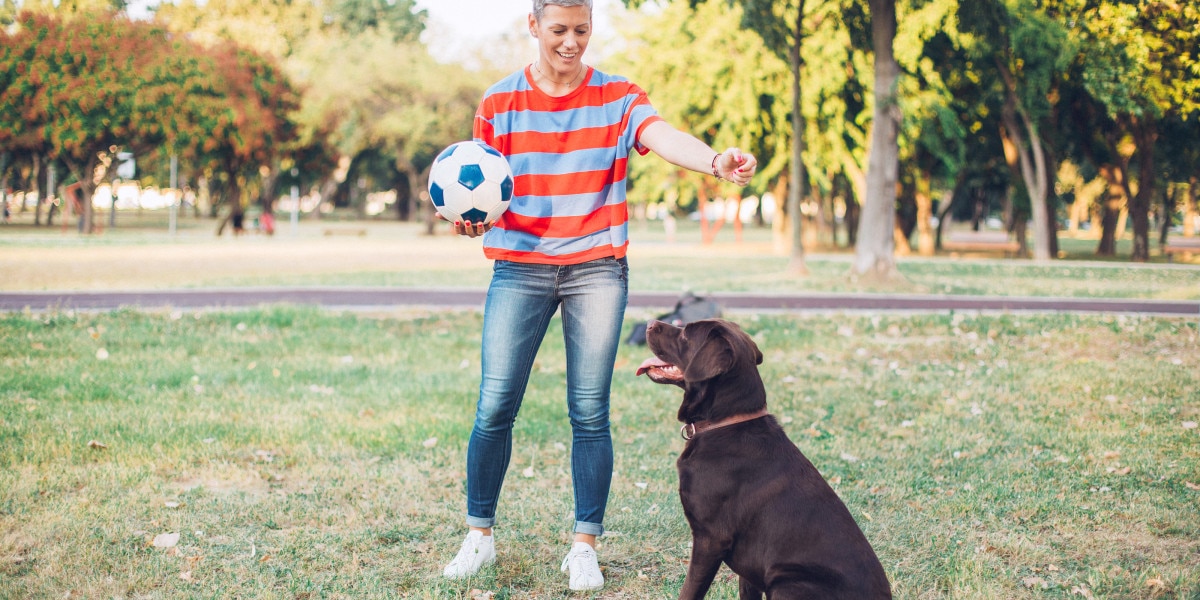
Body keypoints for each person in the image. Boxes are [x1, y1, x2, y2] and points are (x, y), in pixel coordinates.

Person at [441, 0, 757, 591]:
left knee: (589, 411)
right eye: (558, 30)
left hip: (596, 268)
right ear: (533, 27)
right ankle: (478, 535)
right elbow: (481, 190)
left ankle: (584, 545)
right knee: (494, 406)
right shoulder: (498, 103)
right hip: (520, 267)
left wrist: (715, 161)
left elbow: (661, 136)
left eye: (581, 30)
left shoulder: (617, 96)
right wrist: (471, 222)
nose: (570, 42)